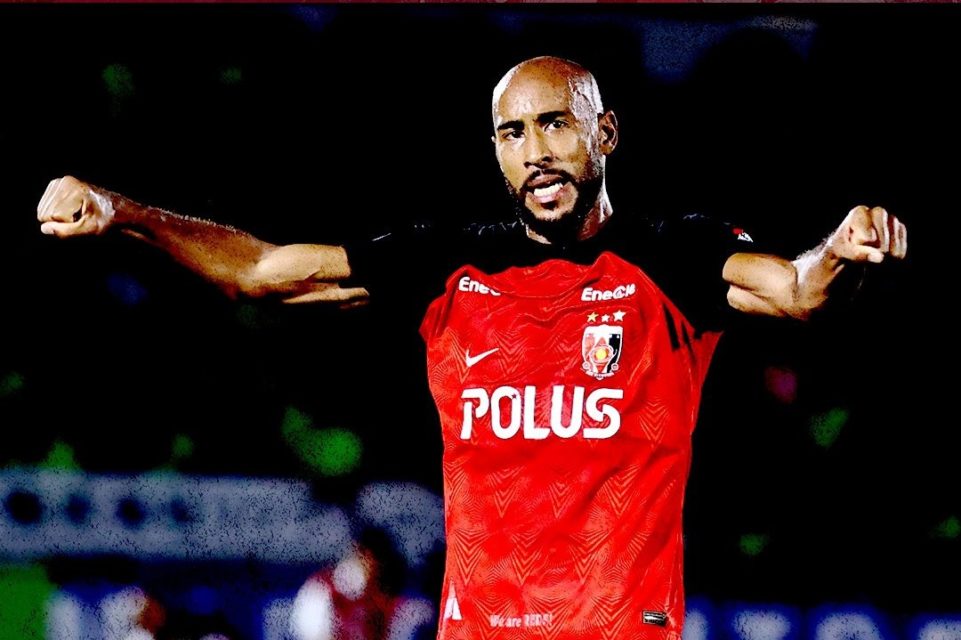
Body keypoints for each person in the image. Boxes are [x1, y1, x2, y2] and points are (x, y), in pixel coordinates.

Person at [36, 56, 907, 640]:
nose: (536, 153)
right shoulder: (449, 266)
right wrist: (122, 212)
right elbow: (262, 270)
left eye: (556, 125)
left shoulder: (671, 258)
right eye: (512, 134)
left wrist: (841, 250)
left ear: (604, 134)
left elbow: (798, 290)